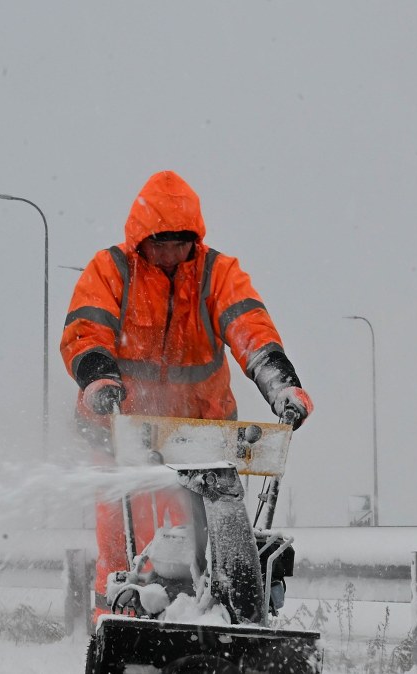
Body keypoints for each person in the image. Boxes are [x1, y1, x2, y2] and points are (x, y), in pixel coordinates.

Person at [60, 169, 313, 617]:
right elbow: (86, 329)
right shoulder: (112, 270)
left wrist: (281, 385)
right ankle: (117, 621)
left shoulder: (217, 274)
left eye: (180, 243)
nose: (170, 254)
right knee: (121, 539)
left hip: (201, 437)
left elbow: (249, 327)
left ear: (194, 240)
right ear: (141, 239)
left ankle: (214, 619)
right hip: (122, 430)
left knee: (208, 540)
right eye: (160, 243)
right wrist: (99, 378)